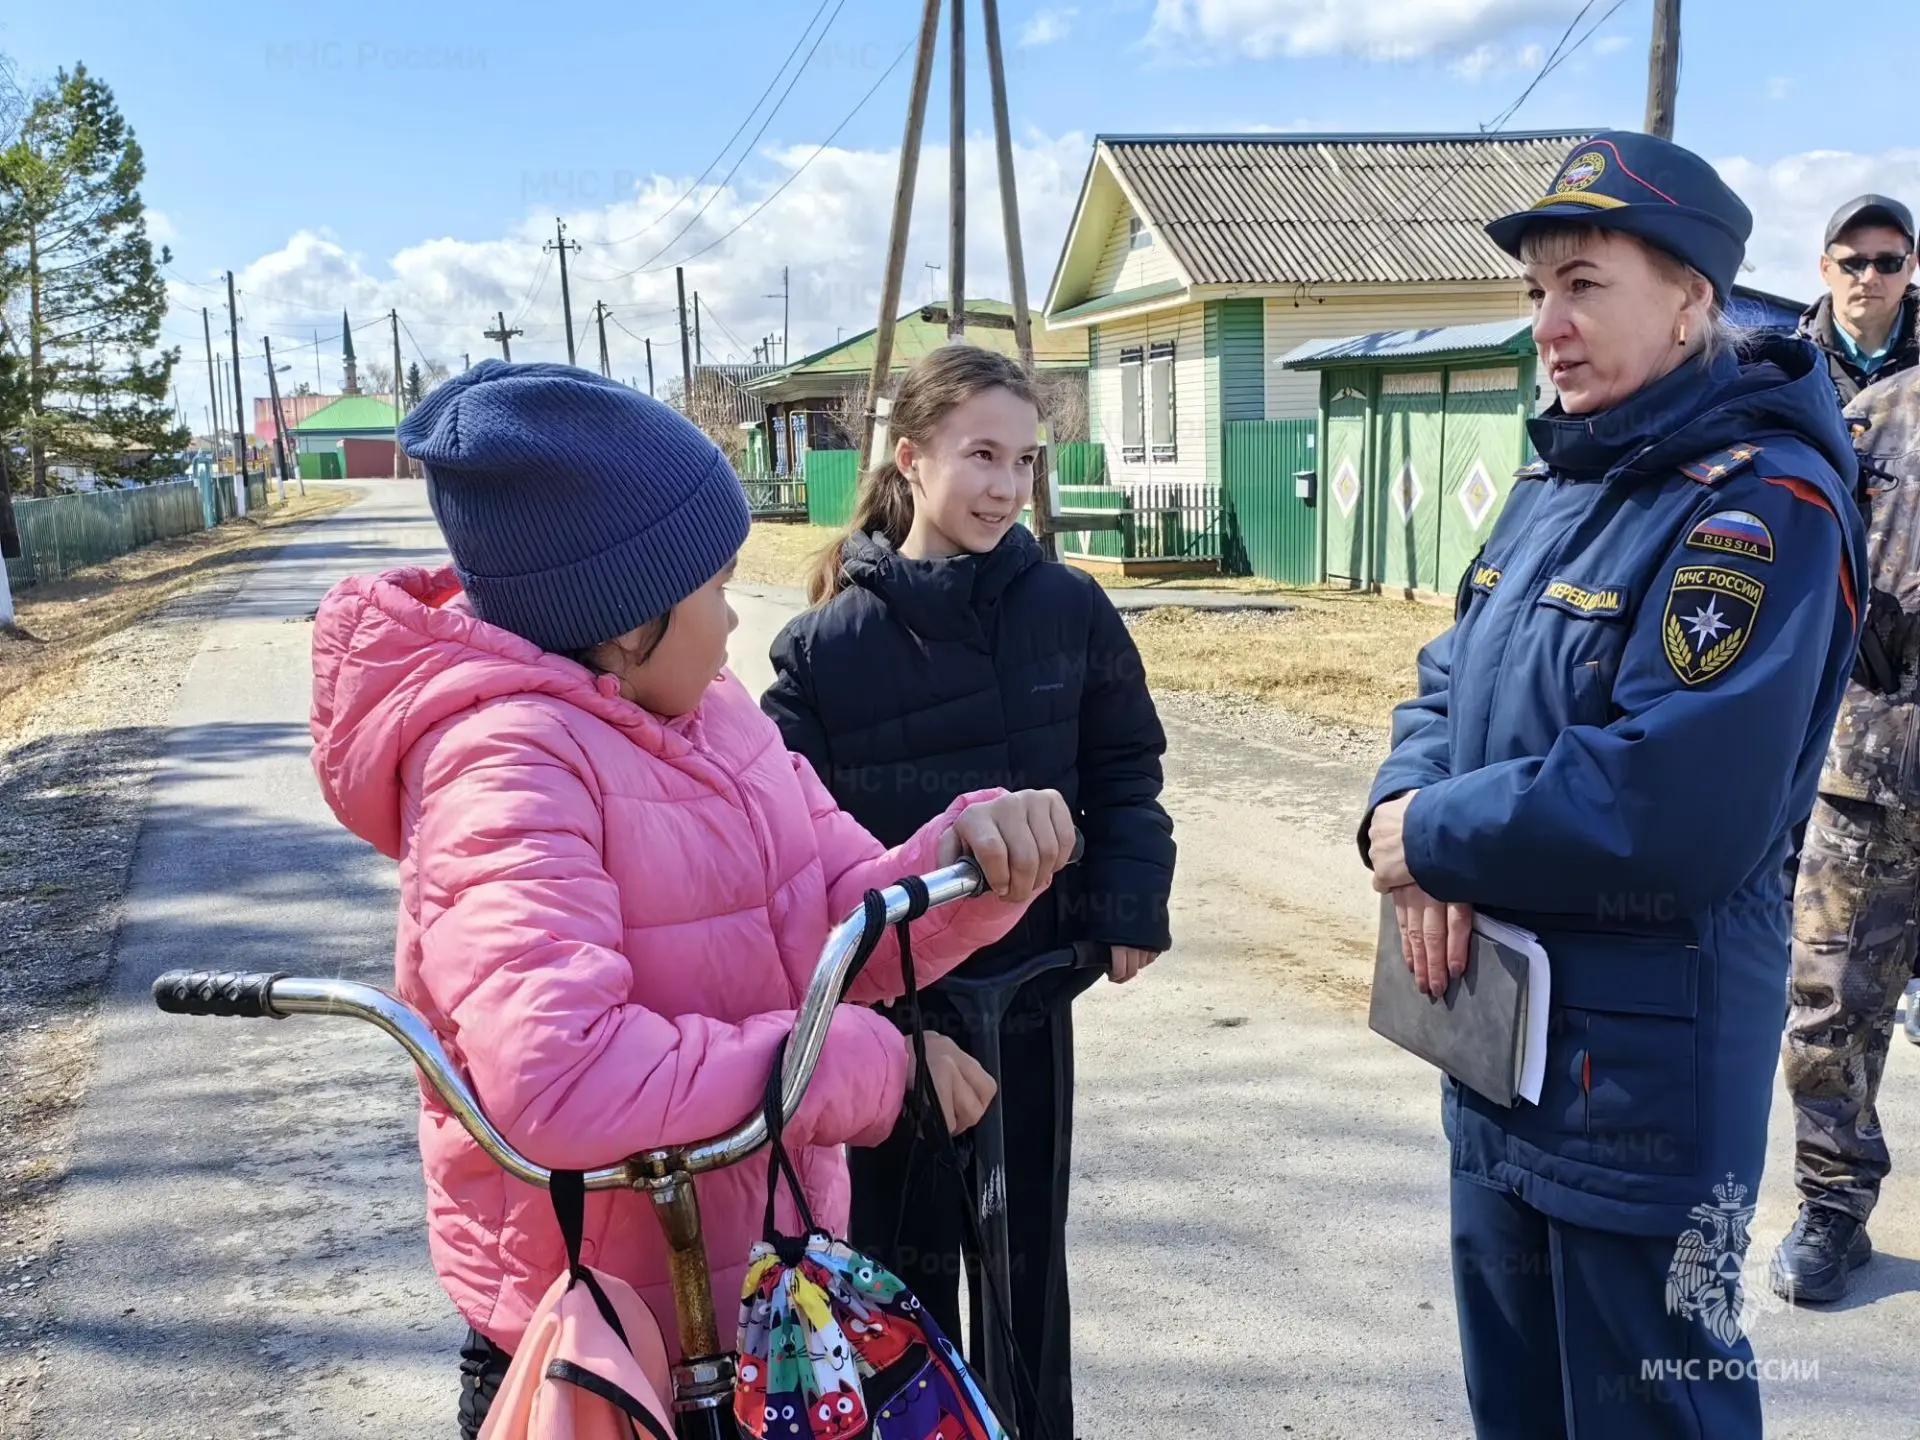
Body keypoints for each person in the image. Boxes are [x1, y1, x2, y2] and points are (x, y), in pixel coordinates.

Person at [304, 361, 1079, 1438]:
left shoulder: (716, 716)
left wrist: (967, 858)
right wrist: (866, 1067)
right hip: (600, 1342)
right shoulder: (505, 766)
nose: (732, 619)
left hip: (750, 1294)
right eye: (715, 587)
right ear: (628, 625)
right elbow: (565, 1076)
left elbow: (838, 909)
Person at [1360, 133, 1866, 1438]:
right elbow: (1448, 676)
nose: (1548, 325)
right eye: (1538, 291)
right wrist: (1403, 820)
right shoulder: (1558, 475)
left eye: (1584, 285)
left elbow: (1670, 803)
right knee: (1518, 1405)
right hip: (1496, 1053)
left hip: (1645, 1083)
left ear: (1692, 300)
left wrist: (1434, 839)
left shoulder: (1760, 507)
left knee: (1657, 1408)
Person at [761, 343, 1176, 1440]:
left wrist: (1126, 900)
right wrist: (885, 1025)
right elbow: (791, 860)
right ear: (910, 458)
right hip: (897, 1033)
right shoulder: (824, 651)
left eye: (1026, 461)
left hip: (1032, 1002)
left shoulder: (1069, 610)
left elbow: (1124, 766)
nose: (1006, 486)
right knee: (896, 1283)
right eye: (981, 455)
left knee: (1027, 1268)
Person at [1798, 194, 1919, 406]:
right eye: (1853, 263)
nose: (1870, 277)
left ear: (1910, 268)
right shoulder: (1790, 369)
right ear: (1826, 269)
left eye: (1888, 262)